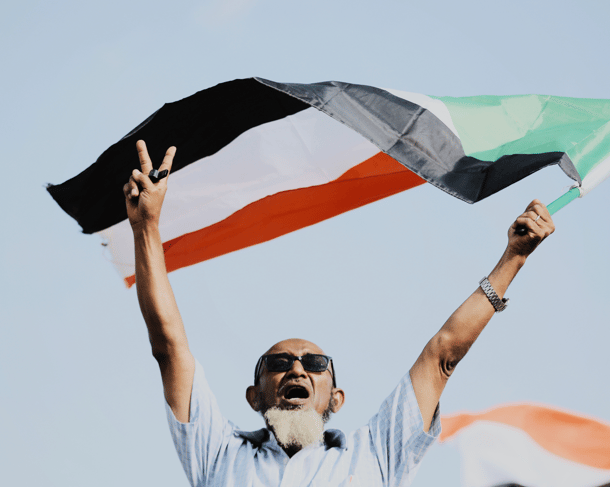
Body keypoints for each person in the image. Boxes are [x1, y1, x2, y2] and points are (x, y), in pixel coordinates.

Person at [123, 140, 555, 487]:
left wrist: (513, 258)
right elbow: (169, 347)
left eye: (314, 364)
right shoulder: (218, 455)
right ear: (254, 397)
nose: (297, 369)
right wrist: (147, 228)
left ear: (336, 398)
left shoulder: (375, 456)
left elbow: (443, 355)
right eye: (277, 364)